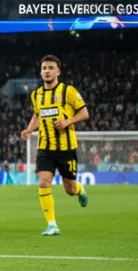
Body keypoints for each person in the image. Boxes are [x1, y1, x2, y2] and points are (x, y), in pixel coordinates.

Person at [20, 55, 90, 236]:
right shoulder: (36, 95)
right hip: (45, 147)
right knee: (44, 182)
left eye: (51, 68)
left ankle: (80, 189)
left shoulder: (68, 91)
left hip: (66, 148)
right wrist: (29, 130)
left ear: (58, 71)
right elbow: (37, 114)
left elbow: (84, 113)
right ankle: (52, 225)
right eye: (44, 68)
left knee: (70, 189)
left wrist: (67, 122)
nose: (47, 71)